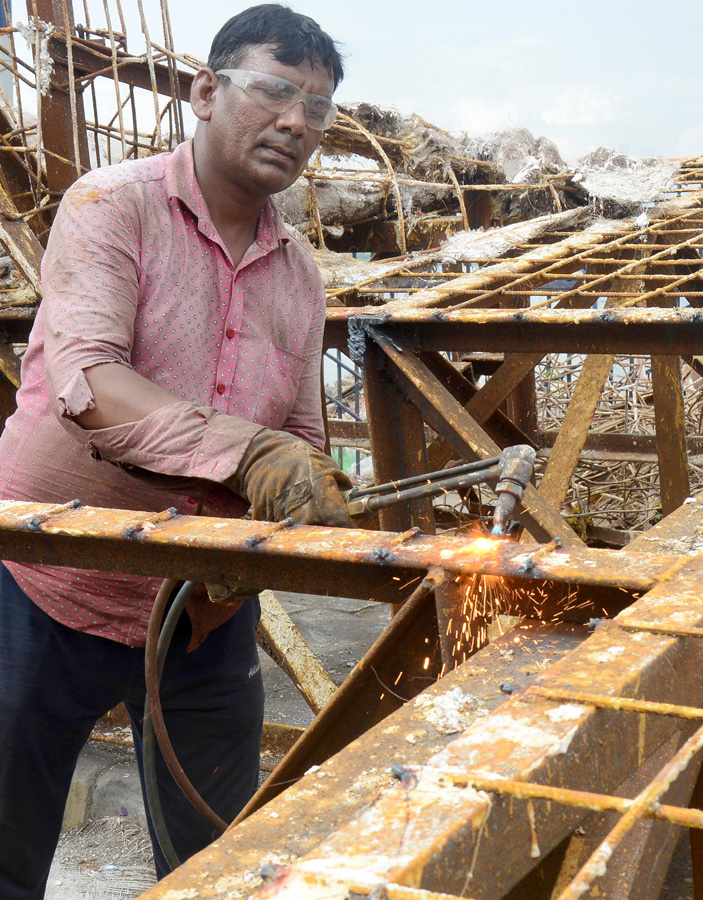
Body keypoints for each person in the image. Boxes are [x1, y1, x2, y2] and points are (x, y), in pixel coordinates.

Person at [0, 5, 353, 895]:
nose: (294, 123)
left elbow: (301, 435)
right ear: (205, 90)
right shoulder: (112, 206)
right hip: (51, 581)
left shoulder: (300, 274)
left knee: (215, 861)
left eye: (317, 109)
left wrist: (293, 506)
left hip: (202, 608)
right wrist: (247, 457)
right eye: (274, 91)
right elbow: (86, 380)